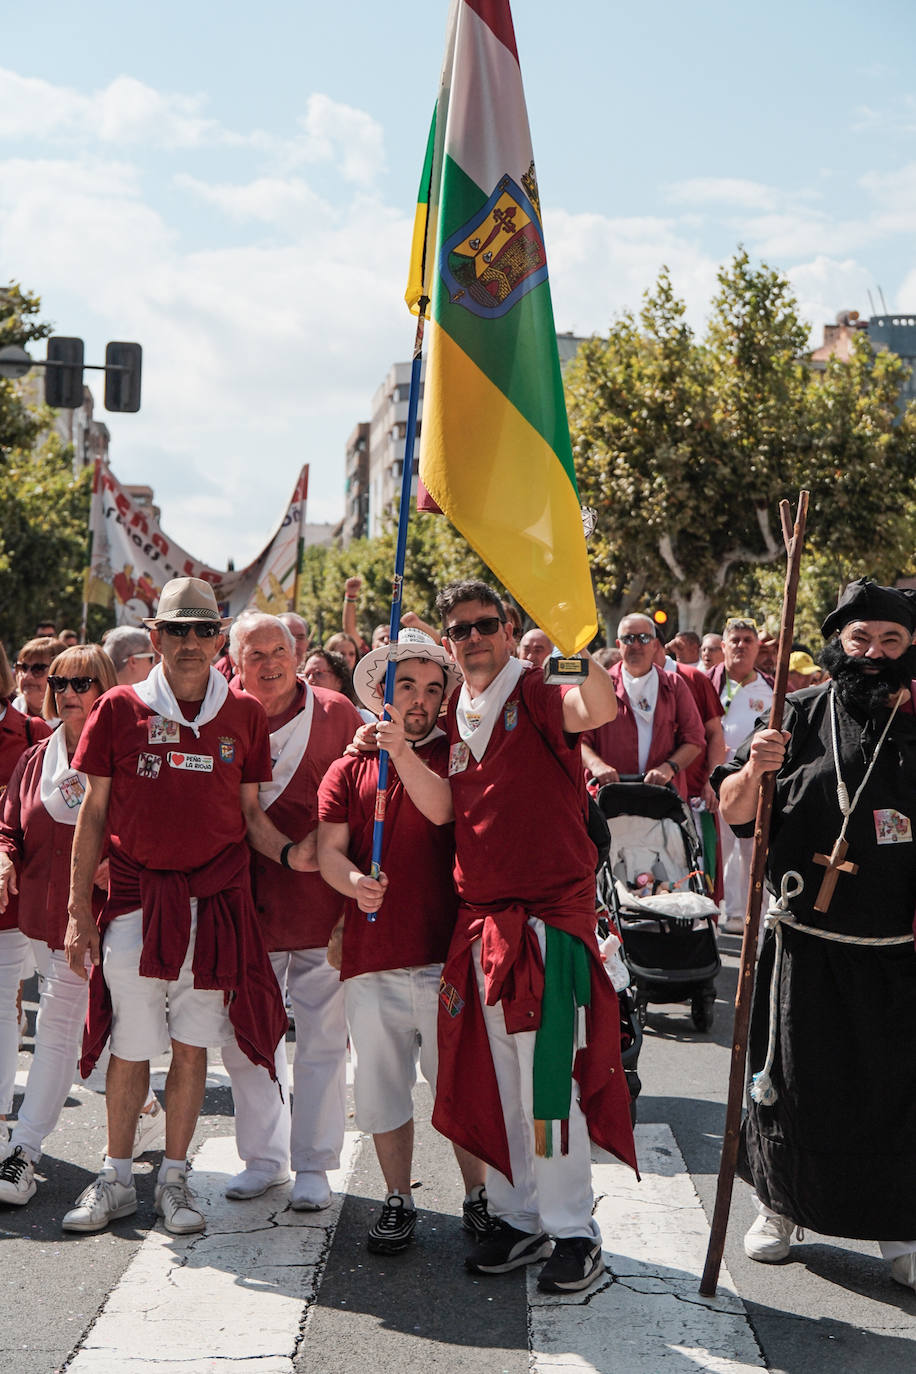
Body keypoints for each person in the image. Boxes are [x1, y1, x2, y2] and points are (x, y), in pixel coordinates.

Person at [373, 579, 637, 1295]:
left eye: (485, 624)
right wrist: (400, 750)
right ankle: (525, 1219)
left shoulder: (541, 680)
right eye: (460, 630)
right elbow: (442, 812)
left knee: (548, 1087)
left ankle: (575, 1232)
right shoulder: (459, 711)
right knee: (503, 1084)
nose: (473, 638)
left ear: (509, 624)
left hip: (548, 926)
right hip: (485, 928)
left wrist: (575, 641)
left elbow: (599, 705)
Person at [59, 577, 294, 1236]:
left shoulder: (245, 715)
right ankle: (115, 1178)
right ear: (155, 635)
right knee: (130, 1047)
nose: (190, 642)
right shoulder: (116, 707)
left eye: (202, 629)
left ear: (219, 637)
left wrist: (306, 858)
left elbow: (252, 817)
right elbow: (93, 812)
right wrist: (80, 911)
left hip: (214, 906)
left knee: (193, 1049)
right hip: (136, 903)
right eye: (177, 629)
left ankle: (175, 1178)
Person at [713, 578, 916, 1293]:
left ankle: (900, 1225)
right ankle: (778, 1207)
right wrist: (756, 770)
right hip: (804, 942)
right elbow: (733, 807)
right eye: (860, 639)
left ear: (909, 648)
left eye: (890, 640)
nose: (873, 653)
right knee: (792, 1081)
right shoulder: (794, 713)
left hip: (897, 951)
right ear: (839, 643)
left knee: (893, 1092)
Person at [318, 629, 495, 1253]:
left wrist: (402, 753)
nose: (418, 700)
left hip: (446, 956)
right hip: (372, 959)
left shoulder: (460, 754)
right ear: (380, 692)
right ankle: (398, 1197)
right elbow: (328, 853)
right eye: (405, 687)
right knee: (382, 1086)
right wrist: (355, 884)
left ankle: (479, 1197)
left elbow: (445, 810)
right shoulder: (348, 767)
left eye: (430, 689)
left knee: (456, 1083)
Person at [0, 645, 166, 1208]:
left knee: (74, 1033)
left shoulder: (128, 756)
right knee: (67, 1035)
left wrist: (116, 856)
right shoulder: (35, 757)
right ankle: (134, 1116)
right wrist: (2, 854)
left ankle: (26, 1149)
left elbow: (158, 826)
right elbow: (9, 825)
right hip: (45, 922)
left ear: (105, 690)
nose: (69, 692)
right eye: (60, 682)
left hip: (106, 919)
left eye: (83, 682)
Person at [222, 611, 361, 1211]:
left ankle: (313, 1162)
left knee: (324, 1039)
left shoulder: (338, 713)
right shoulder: (219, 714)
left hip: (321, 905)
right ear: (236, 661)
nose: (272, 663)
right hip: (242, 905)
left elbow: (366, 804)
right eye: (256, 655)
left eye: (280, 649)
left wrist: (353, 898)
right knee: (245, 1035)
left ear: (296, 649)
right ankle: (263, 1156)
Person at [0, 644, 51, 1146]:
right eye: (29, 668)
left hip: (22, 895)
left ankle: (141, 1105)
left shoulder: (34, 735)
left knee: (63, 1015)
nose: (34, 678)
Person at [580, 614, 704, 800]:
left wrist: (669, 768)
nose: (636, 645)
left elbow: (695, 739)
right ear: (618, 644)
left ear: (655, 644)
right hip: (608, 798)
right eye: (628, 639)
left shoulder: (673, 684)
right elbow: (580, 740)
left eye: (644, 638)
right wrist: (597, 765)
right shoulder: (601, 684)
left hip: (661, 799)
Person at [708, 618, 773, 931]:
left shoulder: (773, 688)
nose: (741, 646)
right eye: (734, 640)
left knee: (750, 848)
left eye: (748, 640)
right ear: (723, 646)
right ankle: (717, 916)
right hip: (712, 782)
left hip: (754, 781)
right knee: (717, 850)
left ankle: (749, 917)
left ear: (758, 647)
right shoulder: (705, 683)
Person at [12, 638, 65, 716]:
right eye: (23, 667)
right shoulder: (6, 717)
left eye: (38, 669)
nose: (27, 676)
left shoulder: (78, 722)